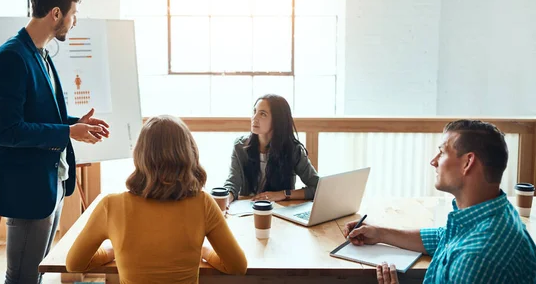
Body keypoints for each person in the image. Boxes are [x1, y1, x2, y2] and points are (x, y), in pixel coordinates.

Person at [0, 0, 110, 284]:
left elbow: (38, 114)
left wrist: (77, 124)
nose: (74, 22)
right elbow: (6, 131)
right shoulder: (11, 58)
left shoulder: (41, 54)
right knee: (22, 276)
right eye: (73, 15)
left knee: (36, 272)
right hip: (25, 187)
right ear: (55, 13)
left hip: (49, 182)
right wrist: (68, 132)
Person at [343, 120, 536, 284]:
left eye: (442, 152)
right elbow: (443, 238)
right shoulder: (497, 212)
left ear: (467, 163)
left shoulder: (475, 259)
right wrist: (380, 233)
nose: (433, 161)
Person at [66, 115, 247, 282]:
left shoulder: (111, 205)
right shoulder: (203, 203)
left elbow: (75, 264)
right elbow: (237, 266)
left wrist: (113, 252)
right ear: (189, 155)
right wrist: (204, 251)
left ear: (140, 155)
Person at [224, 94, 319, 203]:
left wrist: (283, 194)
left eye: (263, 114)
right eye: (254, 112)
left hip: (281, 211)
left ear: (277, 120)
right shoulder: (240, 147)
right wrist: (226, 200)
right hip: (247, 210)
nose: (254, 118)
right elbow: (232, 183)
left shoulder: (293, 150)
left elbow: (317, 187)